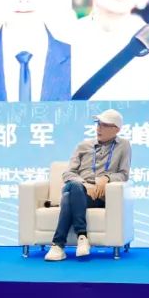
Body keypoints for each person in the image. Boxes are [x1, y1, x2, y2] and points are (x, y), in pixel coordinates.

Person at [45, 109, 131, 261]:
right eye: (98, 124)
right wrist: (84, 184)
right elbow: (68, 174)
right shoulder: (83, 146)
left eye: (104, 125)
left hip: (97, 196)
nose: (99, 128)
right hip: (79, 186)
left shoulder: (123, 146)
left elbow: (124, 175)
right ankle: (82, 237)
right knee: (73, 187)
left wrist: (106, 178)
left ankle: (58, 245)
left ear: (116, 129)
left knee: (67, 197)